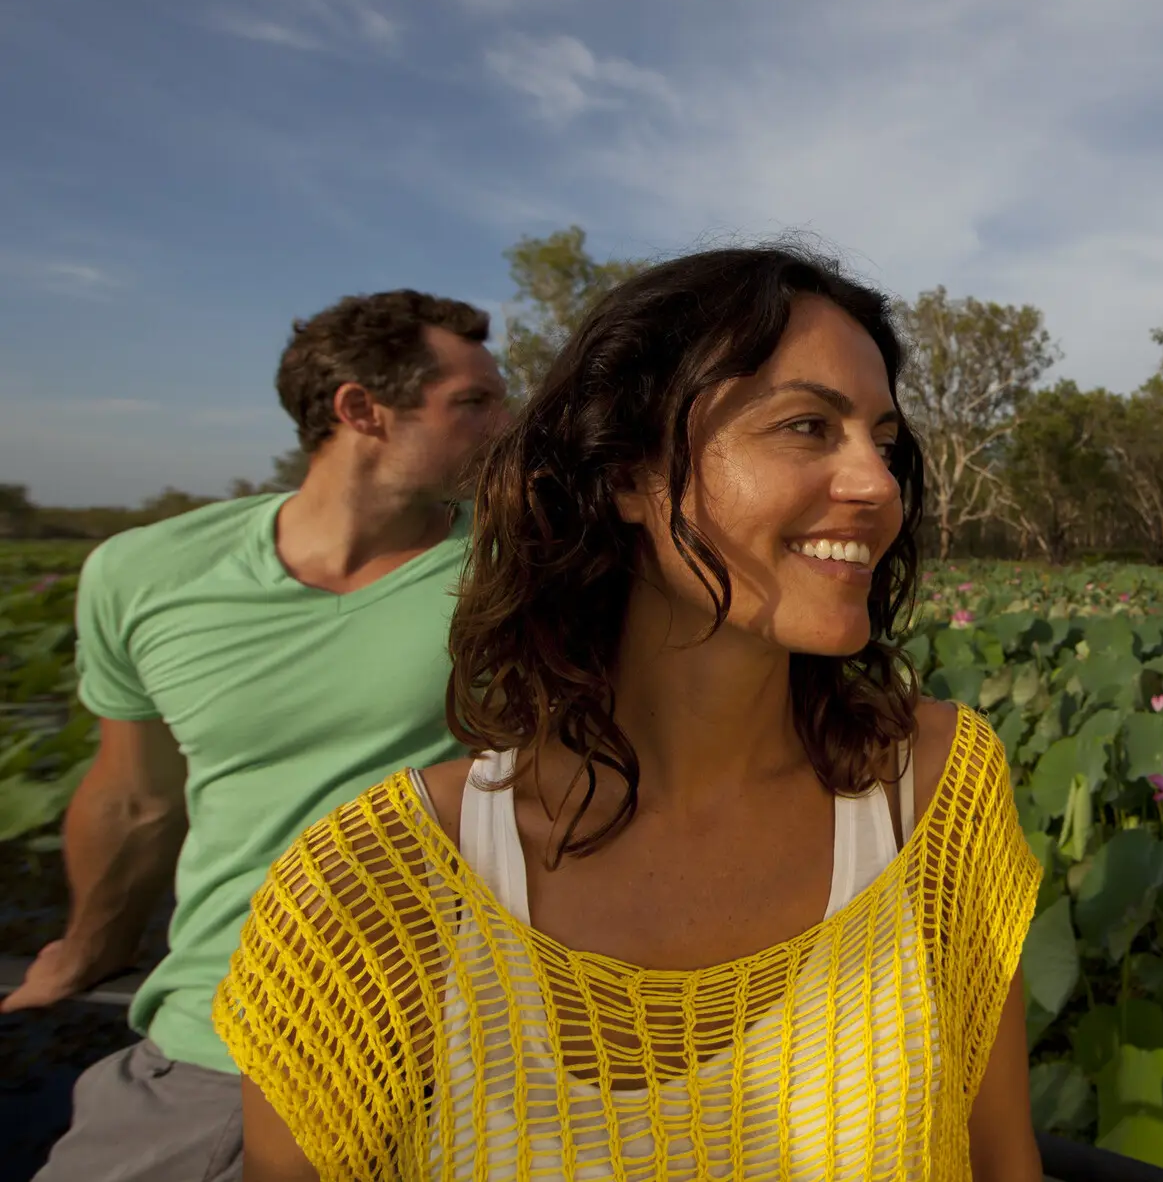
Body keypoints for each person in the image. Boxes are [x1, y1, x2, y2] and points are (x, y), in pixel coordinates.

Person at [215, 245, 1044, 1181]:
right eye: (809, 426)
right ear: (623, 477)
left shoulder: (935, 801)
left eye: (884, 442)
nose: (878, 485)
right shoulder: (375, 892)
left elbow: (1003, 1164)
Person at [4, 290, 510, 1182]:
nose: (505, 425)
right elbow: (132, 797)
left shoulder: (525, 570)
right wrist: (85, 948)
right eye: (472, 403)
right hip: (213, 1037)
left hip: (447, 1051)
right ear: (361, 411)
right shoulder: (143, 572)